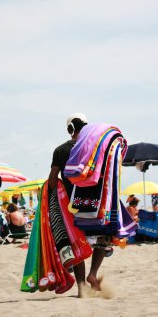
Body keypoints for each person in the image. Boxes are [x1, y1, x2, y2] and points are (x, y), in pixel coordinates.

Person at [48, 113, 106, 295]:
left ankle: (81, 286)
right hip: (96, 202)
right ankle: (93, 274)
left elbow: (52, 179)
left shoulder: (60, 150)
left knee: (77, 242)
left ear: (69, 129)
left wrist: (51, 198)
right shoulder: (96, 147)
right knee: (103, 238)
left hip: (73, 204)